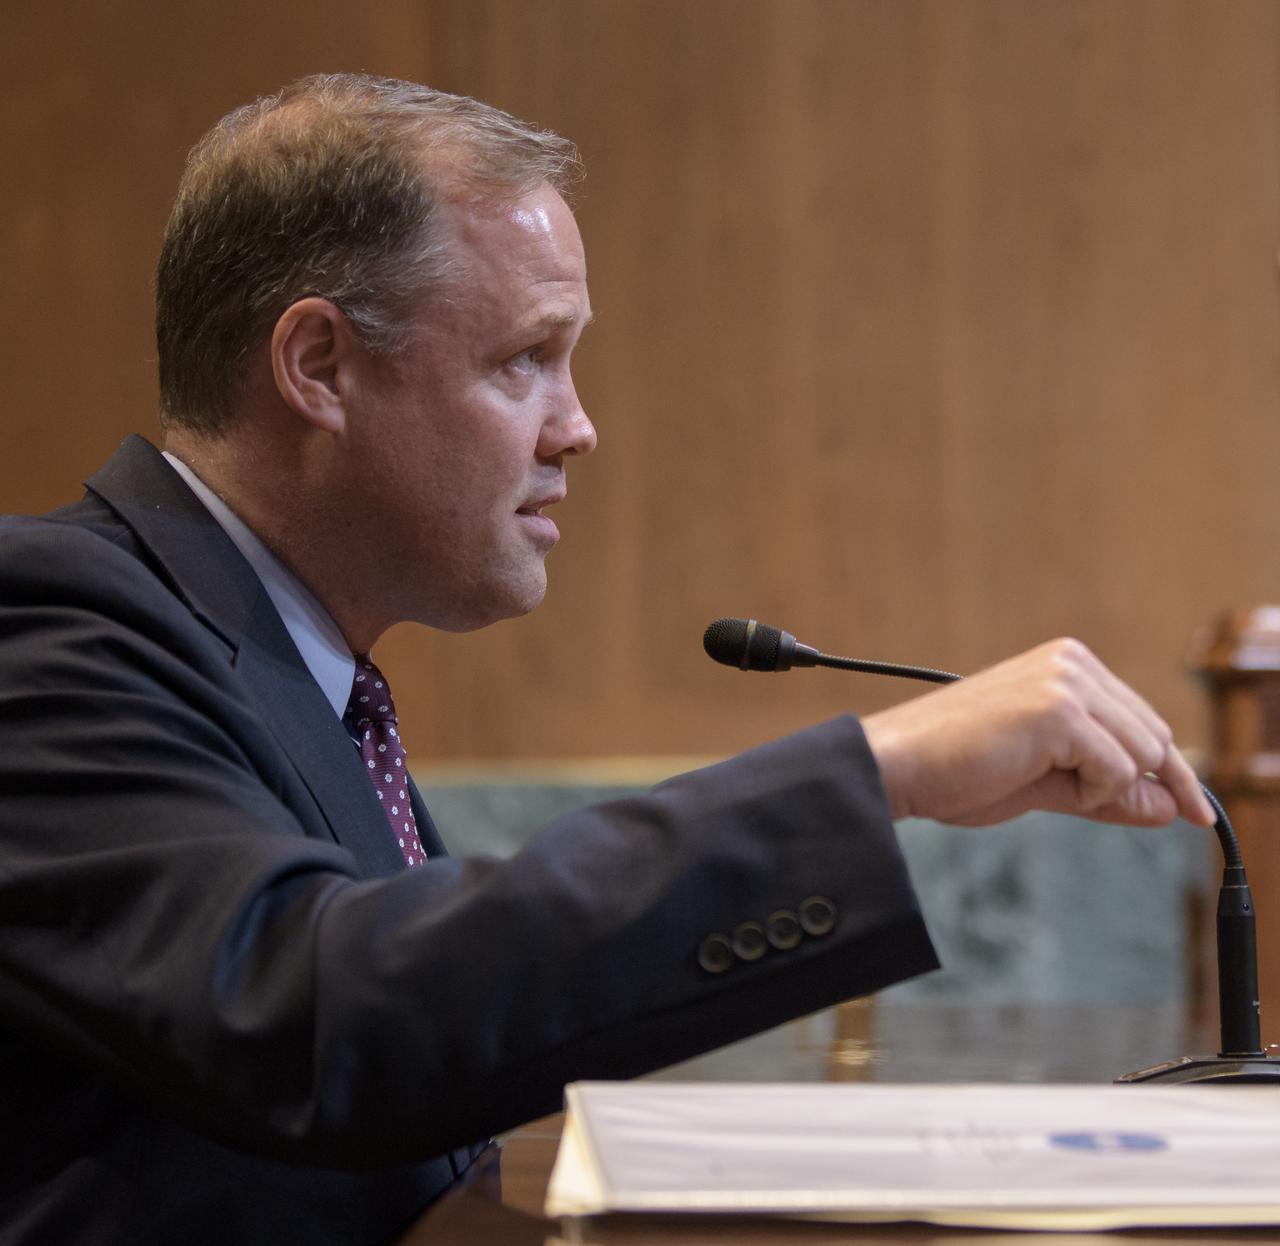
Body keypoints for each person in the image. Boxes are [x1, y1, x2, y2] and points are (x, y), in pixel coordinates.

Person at [0, 73, 1212, 1245]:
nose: (576, 427)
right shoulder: (50, 621)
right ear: (319, 366)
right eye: (523, 358)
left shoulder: (311, 671)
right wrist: (873, 775)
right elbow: (322, 1015)